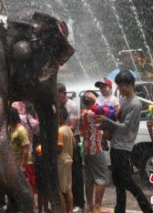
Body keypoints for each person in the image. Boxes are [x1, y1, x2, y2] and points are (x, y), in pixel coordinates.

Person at [96, 70, 153, 213]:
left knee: (127, 181)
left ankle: (147, 209)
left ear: (131, 85)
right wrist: (110, 116)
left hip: (124, 147)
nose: (120, 89)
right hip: (116, 144)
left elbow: (126, 127)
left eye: (122, 86)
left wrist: (106, 121)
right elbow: (118, 118)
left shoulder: (135, 104)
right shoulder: (123, 99)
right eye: (119, 85)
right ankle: (119, 209)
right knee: (118, 181)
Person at [57, 83, 84, 212]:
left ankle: (78, 203)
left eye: (58, 95)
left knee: (75, 172)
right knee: (64, 176)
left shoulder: (72, 105)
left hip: (71, 138)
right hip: (61, 137)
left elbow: (73, 126)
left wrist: (60, 130)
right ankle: (67, 205)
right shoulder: (57, 106)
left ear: (64, 93)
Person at [80, 91, 107, 213]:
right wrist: (95, 99)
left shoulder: (83, 114)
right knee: (101, 179)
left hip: (86, 149)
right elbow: (105, 111)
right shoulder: (92, 113)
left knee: (90, 179)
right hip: (96, 148)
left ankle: (89, 205)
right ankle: (97, 207)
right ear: (91, 101)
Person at [57, 106, 75, 213]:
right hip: (69, 159)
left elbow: (59, 147)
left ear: (61, 117)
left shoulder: (59, 131)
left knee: (61, 190)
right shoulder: (68, 129)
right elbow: (74, 143)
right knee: (68, 189)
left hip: (61, 161)